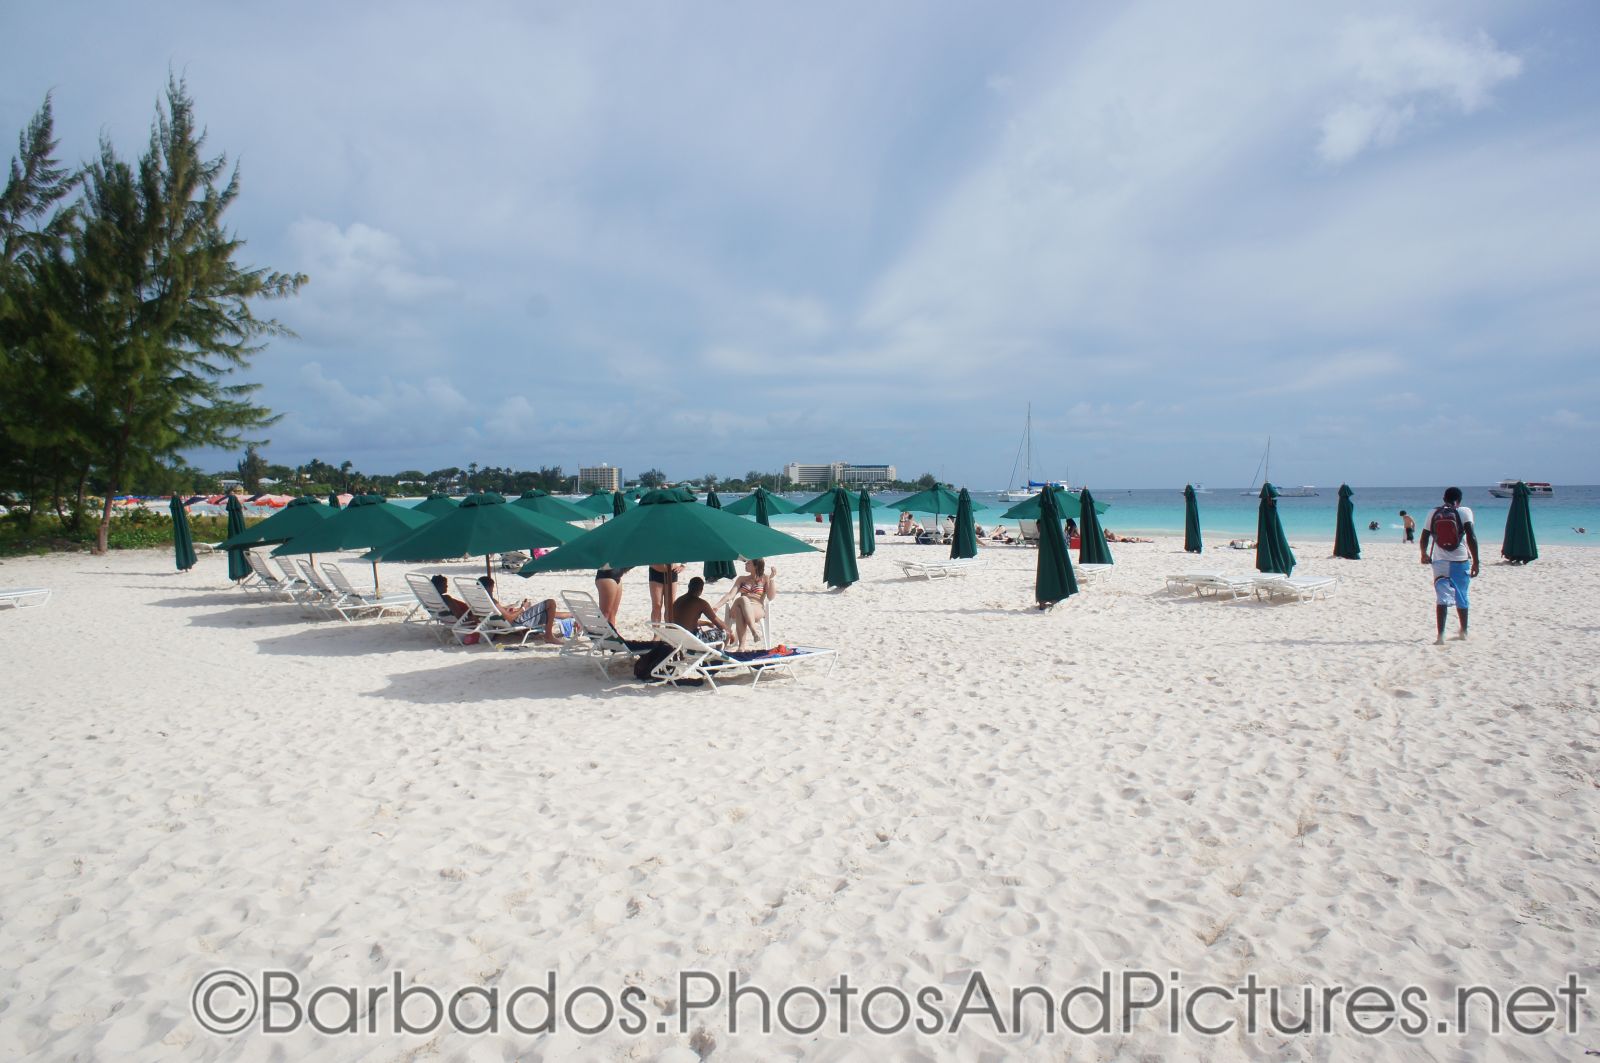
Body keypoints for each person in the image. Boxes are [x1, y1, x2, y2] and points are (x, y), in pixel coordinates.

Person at [1418, 487, 1479, 645]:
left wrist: (1424, 554)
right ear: (1459, 500)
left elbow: (1424, 536)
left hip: (1439, 562)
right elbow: (1471, 536)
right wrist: (1476, 562)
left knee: (1441, 598)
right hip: (1460, 560)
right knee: (1462, 596)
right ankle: (1464, 632)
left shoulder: (1433, 512)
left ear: (1444, 498)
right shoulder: (1465, 511)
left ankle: (1440, 636)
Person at [478, 575, 571, 645]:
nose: (493, 590)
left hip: (498, 621)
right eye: (492, 587)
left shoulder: (478, 601)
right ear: (489, 587)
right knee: (550, 603)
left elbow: (487, 615)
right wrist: (523, 608)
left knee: (547, 612)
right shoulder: (492, 601)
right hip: (517, 621)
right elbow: (510, 619)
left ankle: (571, 615)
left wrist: (508, 608)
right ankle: (549, 635)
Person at [716, 558, 777, 651]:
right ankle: (753, 631)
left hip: (756, 607)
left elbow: (770, 597)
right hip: (739, 603)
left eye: (748, 563)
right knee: (743, 599)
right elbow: (730, 595)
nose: (745, 564)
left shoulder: (765, 579)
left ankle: (741, 646)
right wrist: (717, 606)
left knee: (740, 611)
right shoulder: (742, 579)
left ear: (755, 566)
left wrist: (772, 579)